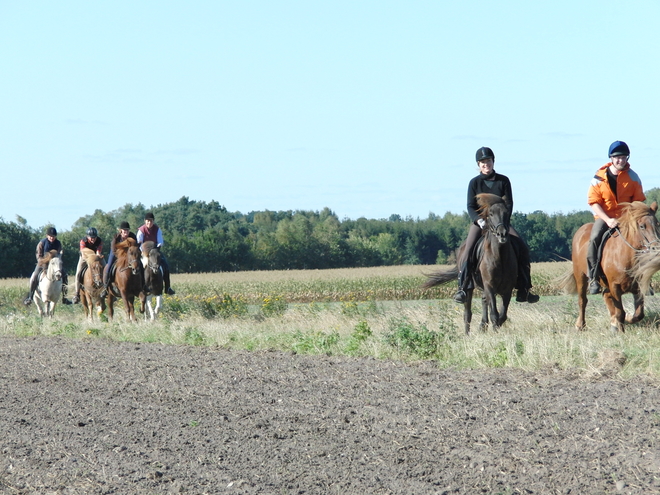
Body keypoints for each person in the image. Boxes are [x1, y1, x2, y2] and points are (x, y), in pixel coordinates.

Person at [453, 147, 539, 304]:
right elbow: (470, 206)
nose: (486, 164)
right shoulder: (474, 183)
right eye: (483, 162)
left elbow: (509, 203)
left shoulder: (503, 180)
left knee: (522, 247)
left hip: (500, 222)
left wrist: (504, 221)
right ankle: (463, 288)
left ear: (493, 162)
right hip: (480, 223)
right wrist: (479, 220)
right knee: (468, 250)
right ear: (478, 164)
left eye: (488, 161)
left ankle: (524, 288)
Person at [586, 140, 645, 294]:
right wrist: (608, 220)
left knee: (645, 239)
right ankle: (593, 277)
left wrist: (630, 218)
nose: (621, 160)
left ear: (627, 158)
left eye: (624, 157)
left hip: (627, 219)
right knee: (594, 238)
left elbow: (638, 201)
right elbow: (594, 203)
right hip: (605, 218)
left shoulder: (633, 177)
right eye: (617, 157)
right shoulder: (598, 178)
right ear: (611, 158)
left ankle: (645, 279)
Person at [23, 227, 72, 306]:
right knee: (34, 276)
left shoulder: (58, 243)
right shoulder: (42, 243)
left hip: (55, 264)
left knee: (65, 275)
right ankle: (30, 297)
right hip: (43, 263)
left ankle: (64, 297)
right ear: (47, 236)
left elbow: (59, 254)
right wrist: (43, 263)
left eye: (53, 236)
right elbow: (38, 255)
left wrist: (57, 262)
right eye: (50, 236)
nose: (52, 238)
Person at [137, 212, 175, 295]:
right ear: (145, 221)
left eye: (151, 221)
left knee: (165, 265)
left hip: (155, 251)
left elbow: (160, 241)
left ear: (153, 221)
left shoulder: (157, 229)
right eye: (148, 221)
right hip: (145, 253)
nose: (149, 223)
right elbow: (139, 243)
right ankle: (139, 287)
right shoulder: (141, 230)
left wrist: (157, 247)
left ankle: (167, 287)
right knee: (141, 266)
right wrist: (144, 252)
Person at [100, 221, 138, 298]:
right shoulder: (116, 238)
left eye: (127, 230)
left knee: (139, 264)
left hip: (130, 256)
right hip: (116, 254)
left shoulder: (133, 236)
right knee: (109, 266)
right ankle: (105, 287)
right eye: (124, 230)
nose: (126, 232)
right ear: (120, 231)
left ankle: (143, 285)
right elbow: (114, 250)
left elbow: (135, 248)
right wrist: (121, 257)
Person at [71, 227, 105, 304]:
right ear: (87, 236)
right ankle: (76, 294)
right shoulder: (83, 241)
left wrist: (96, 258)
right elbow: (83, 254)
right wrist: (90, 261)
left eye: (94, 237)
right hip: (85, 257)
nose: (93, 239)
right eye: (91, 237)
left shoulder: (100, 241)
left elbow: (98, 252)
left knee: (106, 268)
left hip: (96, 257)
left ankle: (107, 289)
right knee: (78, 273)